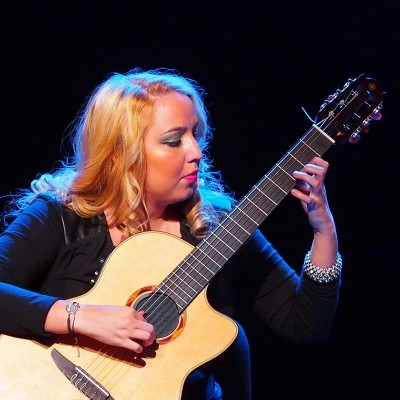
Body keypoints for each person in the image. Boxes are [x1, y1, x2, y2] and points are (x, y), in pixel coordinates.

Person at [0, 67, 343, 400]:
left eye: (196, 134)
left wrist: (324, 230)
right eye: (174, 140)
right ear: (120, 153)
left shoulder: (219, 227)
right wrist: (78, 317)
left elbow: (305, 326)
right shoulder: (62, 215)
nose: (196, 152)